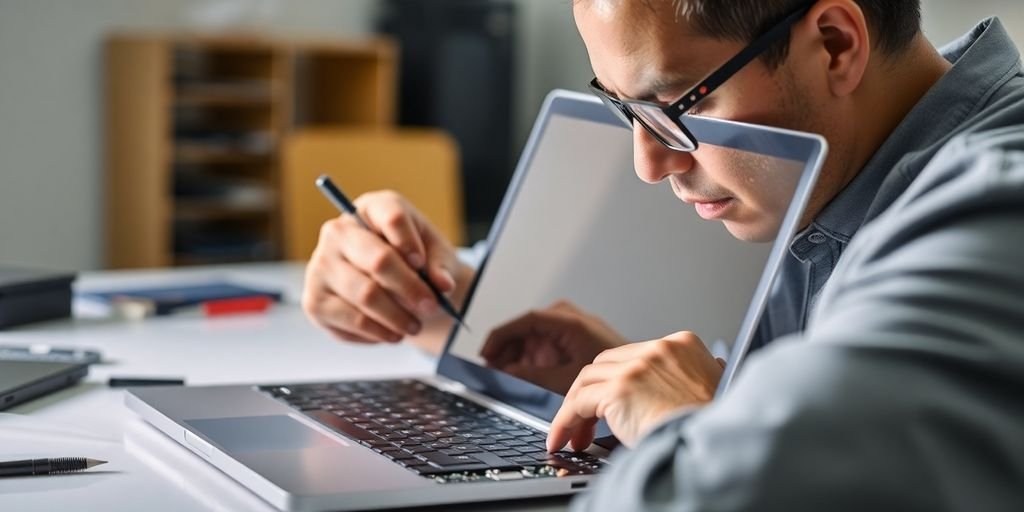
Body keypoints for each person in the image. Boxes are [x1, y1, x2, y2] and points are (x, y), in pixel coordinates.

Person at [303, 0, 1024, 508]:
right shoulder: (830, 174)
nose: (650, 163)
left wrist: (693, 435)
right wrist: (417, 291)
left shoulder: (995, 207)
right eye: (625, 110)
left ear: (835, 43)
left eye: (676, 106)